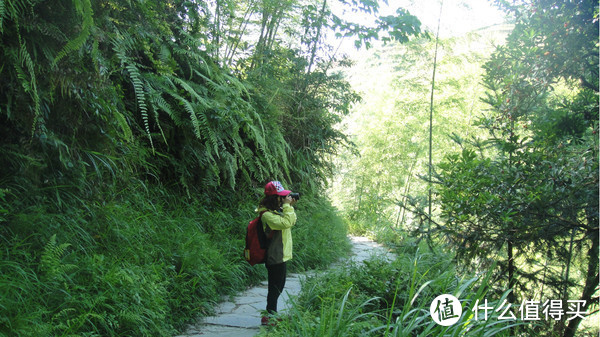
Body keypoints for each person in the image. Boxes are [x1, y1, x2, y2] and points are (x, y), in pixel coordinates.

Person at [257, 181, 297, 326]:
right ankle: (269, 316)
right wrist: (287, 206)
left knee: (279, 286)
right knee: (274, 287)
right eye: (280, 197)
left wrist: (288, 206)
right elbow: (286, 223)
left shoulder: (276, 211)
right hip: (274, 256)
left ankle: (271, 315)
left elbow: (292, 221)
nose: (283, 198)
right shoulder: (266, 215)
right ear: (274, 198)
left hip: (281, 255)